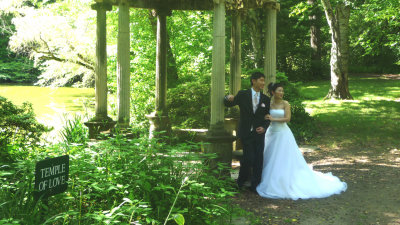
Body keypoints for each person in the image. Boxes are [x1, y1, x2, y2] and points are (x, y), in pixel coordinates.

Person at [256, 83, 347, 199]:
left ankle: (285, 181)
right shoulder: (268, 103)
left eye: (282, 91)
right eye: (279, 91)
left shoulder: (285, 104)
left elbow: (288, 119)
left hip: (283, 134)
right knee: (270, 157)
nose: (282, 93)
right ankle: (269, 179)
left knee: (283, 158)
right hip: (271, 133)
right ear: (273, 92)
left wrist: (273, 118)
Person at [224, 72, 270, 192]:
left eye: (264, 81)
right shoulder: (243, 94)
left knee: (259, 159)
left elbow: (268, 116)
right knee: (249, 158)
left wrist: (264, 127)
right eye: (261, 80)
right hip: (246, 132)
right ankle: (240, 182)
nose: (263, 83)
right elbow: (229, 103)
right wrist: (227, 98)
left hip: (259, 133)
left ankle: (255, 186)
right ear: (253, 81)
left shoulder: (266, 99)